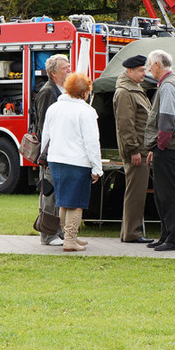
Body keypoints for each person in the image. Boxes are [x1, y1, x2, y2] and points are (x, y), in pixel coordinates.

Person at [41, 73, 103, 252]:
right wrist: (97, 167)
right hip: (77, 162)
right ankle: (70, 239)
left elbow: (46, 135)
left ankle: (69, 236)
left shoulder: (54, 108)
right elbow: (91, 142)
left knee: (63, 200)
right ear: (84, 93)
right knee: (76, 202)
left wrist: (45, 157)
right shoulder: (86, 111)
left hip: (56, 160)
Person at [144, 49, 175, 252]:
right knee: (161, 194)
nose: (148, 69)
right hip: (164, 148)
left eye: (149, 64)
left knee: (168, 194)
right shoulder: (168, 83)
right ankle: (166, 236)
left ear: (157, 65)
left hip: (168, 149)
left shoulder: (168, 86)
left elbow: (167, 121)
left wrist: (160, 145)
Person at [113, 54, 154, 244]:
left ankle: (130, 232)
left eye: (144, 69)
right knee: (135, 193)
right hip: (137, 151)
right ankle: (132, 233)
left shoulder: (134, 89)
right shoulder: (125, 92)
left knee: (137, 191)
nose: (144, 73)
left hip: (141, 149)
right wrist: (133, 150)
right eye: (141, 70)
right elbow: (125, 125)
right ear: (130, 71)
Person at [34, 54, 72, 246]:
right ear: (53, 73)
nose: (69, 70)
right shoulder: (48, 92)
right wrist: (47, 153)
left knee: (58, 193)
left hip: (59, 152)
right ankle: (48, 234)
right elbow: (45, 126)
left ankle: (58, 232)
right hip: (50, 153)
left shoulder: (61, 91)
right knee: (49, 194)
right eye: (65, 68)